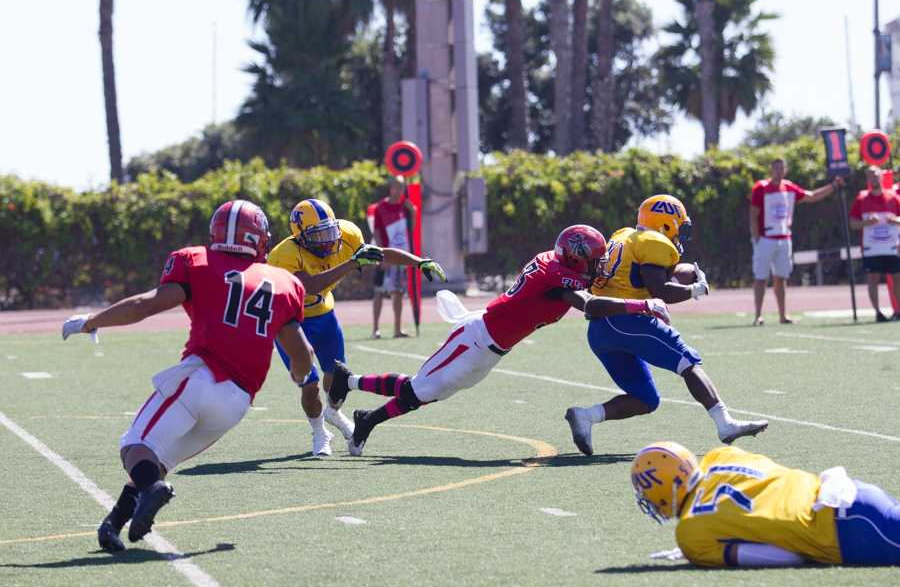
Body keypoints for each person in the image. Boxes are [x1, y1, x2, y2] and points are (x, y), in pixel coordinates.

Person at [61, 200, 314, 552]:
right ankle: (113, 525)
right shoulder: (286, 283)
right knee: (158, 460)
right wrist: (302, 378)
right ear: (259, 240)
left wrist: (92, 321)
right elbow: (302, 354)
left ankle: (151, 492)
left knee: (134, 448)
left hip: (201, 377)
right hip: (236, 404)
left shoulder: (196, 261)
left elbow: (144, 305)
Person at [329, 224, 672, 456]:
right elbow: (592, 306)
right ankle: (354, 389)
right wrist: (642, 303)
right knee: (420, 390)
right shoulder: (558, 275)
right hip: (475, 339)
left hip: (490, 348)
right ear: (575, 256)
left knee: (427, 393)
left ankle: (363, 412)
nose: (598, 266)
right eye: (594, 260)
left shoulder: (556, 264)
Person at [565, 195, 768, 457]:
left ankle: (585, 416)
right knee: (687, 361)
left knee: (645, 399)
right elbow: (659, 288)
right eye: (679, 225)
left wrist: (689, 275)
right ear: (666, 223)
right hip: (626, 321)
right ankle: (725, 424)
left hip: (600, 329)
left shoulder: (624, 235)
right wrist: (695, 289)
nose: (680, 233)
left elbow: (655, 274)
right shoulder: (654, 242)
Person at [267, 198, 446, 456]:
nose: (328, 240)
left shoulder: (348, 233)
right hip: (290, 322)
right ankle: (319, 432)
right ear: (301, 237)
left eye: (330, 232)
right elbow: (308, 286)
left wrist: (418, 262)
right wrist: (351, 263)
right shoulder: (283, 255)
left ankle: (333, 413)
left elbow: (379, 253)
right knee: (309, 384)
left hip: (324, 315)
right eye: (318, 235)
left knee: (336, 376)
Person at [630, 440, 900, 567]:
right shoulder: (720, 455)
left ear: (663, 490)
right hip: (851, 492)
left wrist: (698, 549)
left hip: (848, 532)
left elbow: (789, 555)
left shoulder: (690, 534)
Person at [749, 159, 844, 325]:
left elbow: (812, 196)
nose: (778, 171)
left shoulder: (789, 187)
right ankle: (758, 315)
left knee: (781, 277)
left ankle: (782, 315)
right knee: (761, 277)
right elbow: (753, 214)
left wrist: (833, 186)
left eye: (781, 168)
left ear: (785, 170)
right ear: (771, 169)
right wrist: (756, 237)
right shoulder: (761, 188)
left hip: (784, 239)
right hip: (765, 239)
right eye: (775, 168)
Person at [849, 166, 900, 322]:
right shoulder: (862, 198)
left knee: (897, 277)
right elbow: (853, 224)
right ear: (867, 179)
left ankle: (898, 311)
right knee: (873, 278)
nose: (874, 178)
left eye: (876, 175)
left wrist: (895, 220)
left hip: (892, 247)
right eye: (870, 176)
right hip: (872, 248)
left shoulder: (893, 197)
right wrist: (867, 222)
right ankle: (878, 312)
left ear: (882, 177)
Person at [371, 176, 417, 339]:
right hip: (385, 256)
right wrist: (382, 255)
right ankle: (375, 329)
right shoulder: (380, 207)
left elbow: (410, 233)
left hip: (401, 257)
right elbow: (376, 232)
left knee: (398, 293)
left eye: (402, 187)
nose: (399, 191)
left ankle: (398, 329)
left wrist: (413, 212)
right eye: (396, 187)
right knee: (379, 292)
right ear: (391, 188)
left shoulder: (404, 207)